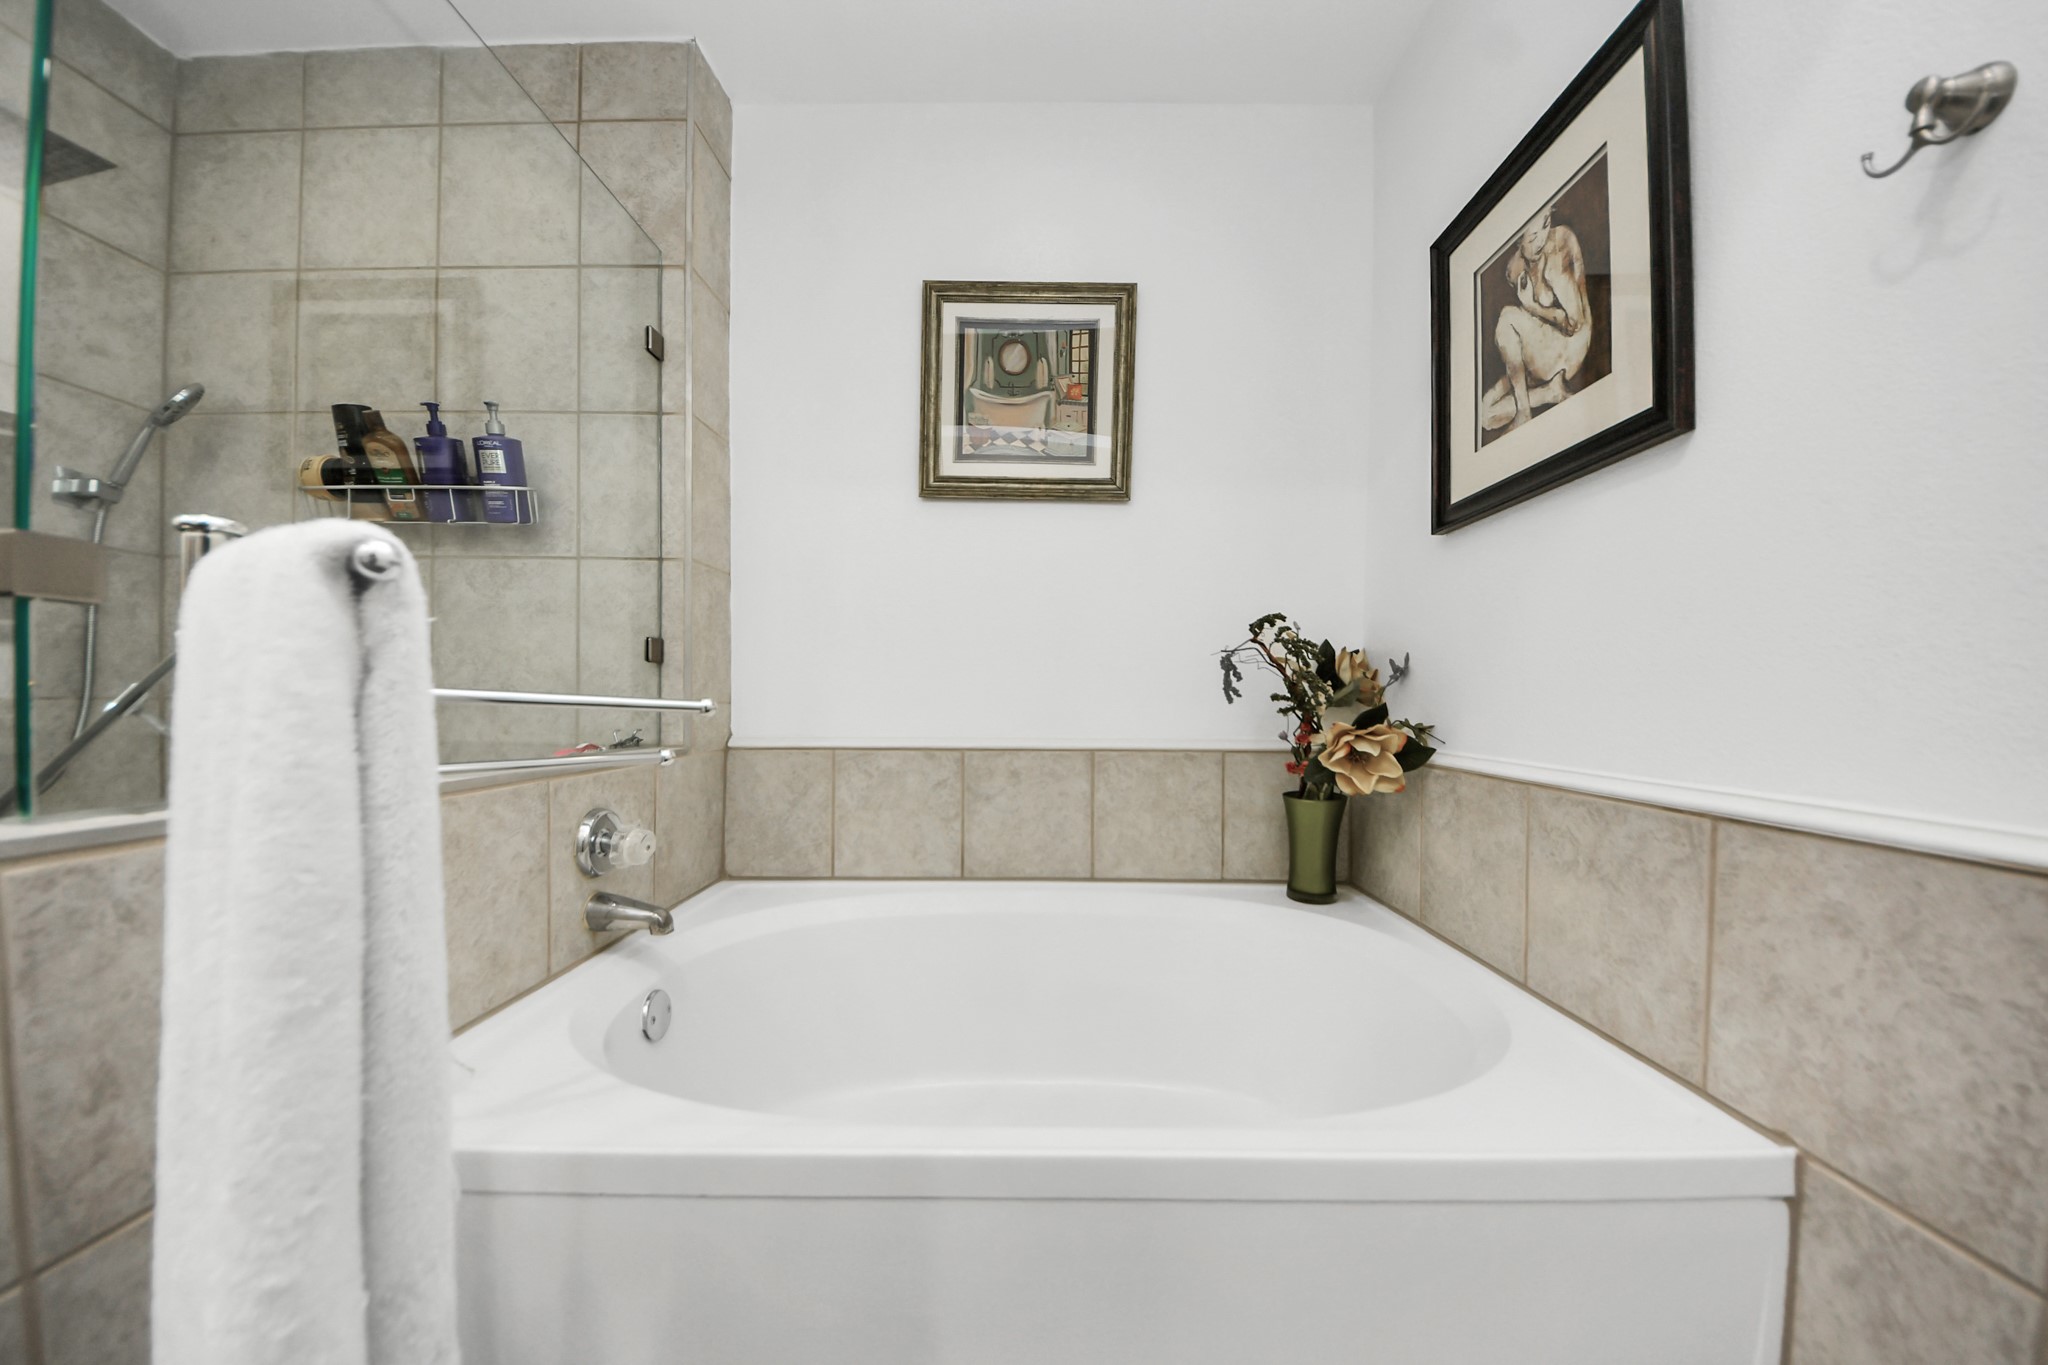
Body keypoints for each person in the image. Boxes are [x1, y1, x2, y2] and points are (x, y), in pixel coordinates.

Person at [1480, 209, 1593, 433]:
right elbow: (1529, 330)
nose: (1541, 238)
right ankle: (1549, 392)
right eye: (1532, 237)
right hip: (1544, 349)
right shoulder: (1514, 268)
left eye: (1546, 224)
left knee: (1507, 317)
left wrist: (1533, 307)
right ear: (1517, 241)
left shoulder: (1558, 246)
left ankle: (1524, 412)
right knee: (1486, 414)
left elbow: (1574, 322)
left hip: (1571, 348)